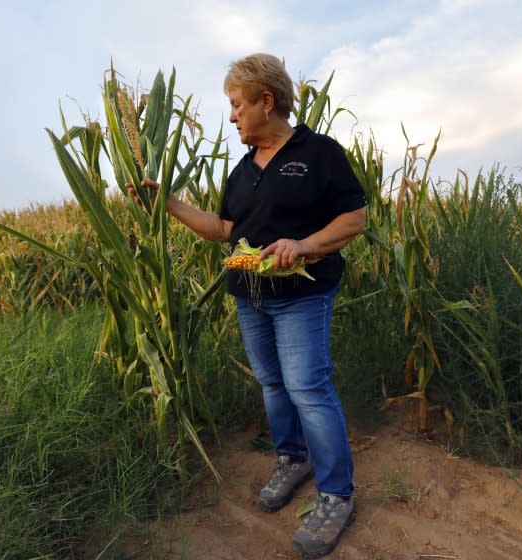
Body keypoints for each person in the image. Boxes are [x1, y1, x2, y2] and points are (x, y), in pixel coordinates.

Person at [128, 53, 367, 558]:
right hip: (251, 298)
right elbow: (225, 231)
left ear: (267, 100)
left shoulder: (317, 152)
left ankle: (336, 495)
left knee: (307, 385)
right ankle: (292, 458)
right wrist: (166, 202)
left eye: (237, 105)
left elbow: (354, 218)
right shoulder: (240, 172)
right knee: (273, 383)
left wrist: (303, 246)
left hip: (303, 296)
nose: (232, 115)